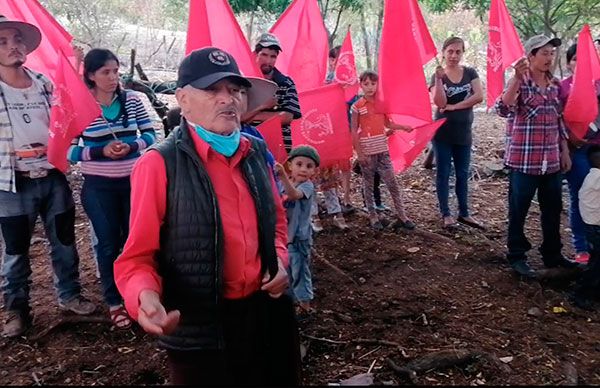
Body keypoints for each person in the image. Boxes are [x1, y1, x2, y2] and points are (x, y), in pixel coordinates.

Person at [114, 47, 300, 385]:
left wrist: (281, 260)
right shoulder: (159, 164)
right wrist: (146, 297)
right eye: (212, 90)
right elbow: (136, 258)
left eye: (234, 91)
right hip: (199, 325)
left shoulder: (255, 150)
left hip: (264, 311)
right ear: (183, 99)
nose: (227, 100)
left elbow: (275, 222)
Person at [0, 15, 95, 338]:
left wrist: (74, 69)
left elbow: (68, 112)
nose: (13, 46)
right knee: (15, 250)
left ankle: (69, 295)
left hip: (52, 174)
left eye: (17, 40)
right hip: (12, 181)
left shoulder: (43, 83)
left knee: (65, 240)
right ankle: (16, 309)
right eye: (3, 42)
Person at [67, 48, 156, 329]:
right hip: (99, 187)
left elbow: (151, 135)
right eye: (106, 72)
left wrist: (131, 146)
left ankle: (138, 294)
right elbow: (69, 151)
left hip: (134, 183)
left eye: (116, 71)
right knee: (107, 243)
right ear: (90, 75)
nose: (113, 77)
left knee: (134, 241)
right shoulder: (79, 105)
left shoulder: (132, 101)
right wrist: (101, 151)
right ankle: (114, 300)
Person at [495, 34, 579, 279]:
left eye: (552, 54)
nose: (549, 58)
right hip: (524, 159)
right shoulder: (520, 82)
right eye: (544, 53)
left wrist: (564, 151)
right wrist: (515, 80)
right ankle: (517, 255)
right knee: (518, 209)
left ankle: (553, 254)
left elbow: (558, 121)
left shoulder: (554, 85)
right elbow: (502, 109)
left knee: (553, 209)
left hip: (550, 159)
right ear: (530, 56)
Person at [430, 36, 484, 230]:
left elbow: (479, 96)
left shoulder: (470, 72)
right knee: (443, 173)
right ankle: (445, 213)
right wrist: (438, 79)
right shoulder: (437, 74)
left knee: (462, 173)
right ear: (443, 53)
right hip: (442, 133)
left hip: (464, 132)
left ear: (462, 53)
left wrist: (456, 107)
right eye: (450, 51)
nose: (454, 55)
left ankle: (464, 213)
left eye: (458, 52)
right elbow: (441, 103)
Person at [351, 70, 415, 231]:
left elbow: (388, 124)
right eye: (366, 84)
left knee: (392, 182)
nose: (370, 87)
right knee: (369, 184)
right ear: (361, 85)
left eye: (373, 83)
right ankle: (372, 216)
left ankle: (402, 215)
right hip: (367, 151)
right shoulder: (357, 106)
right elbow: (353, 130)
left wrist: (403, 127)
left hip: (382, 149)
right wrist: (359, 153)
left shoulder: (381, 104)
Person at [559, 43, 600, 264]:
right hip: (576, 150)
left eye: (585, 60)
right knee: (581, 197)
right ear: (568, 64)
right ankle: (582, 247)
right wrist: (569, 138)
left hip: (597, 149)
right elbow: (557, 118)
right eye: (575, 59)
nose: (580, 64)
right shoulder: (562, 88)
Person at [275, 146, 319, 317]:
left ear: (314, 171)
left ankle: (305, 306)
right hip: (284, 238)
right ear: (290, 165)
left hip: (299, 238)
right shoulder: (281, 184)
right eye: (299, 164)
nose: (303, 169)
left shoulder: (307, 186)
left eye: (309, 166)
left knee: (300, 271)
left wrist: (282, 176)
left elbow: (293, 195)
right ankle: (293, 302)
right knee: (288, 272)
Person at [244, 32, 301, 154]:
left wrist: (250, 116)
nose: (268, 61)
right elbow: (237, 117)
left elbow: (287, 117)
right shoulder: (243, 81)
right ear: (255, 54)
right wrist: (264, 107)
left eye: (273, 56)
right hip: (247, 147)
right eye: (264, 55)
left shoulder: (286, 82)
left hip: (280, 149)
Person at [570, 145, 600, 310]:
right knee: (596, 263)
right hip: (595, 228)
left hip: (592, 227)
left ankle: (592, 291)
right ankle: (581, 294)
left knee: (596, 261)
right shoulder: (596, 179)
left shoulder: (591, 176)